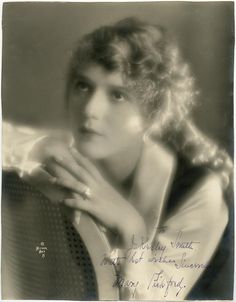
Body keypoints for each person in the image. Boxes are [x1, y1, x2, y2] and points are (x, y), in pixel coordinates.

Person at [3, 17, 233, 300]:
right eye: (83, 86)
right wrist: (39, 147)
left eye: (118, 95)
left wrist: (132, 231)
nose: (90, 109)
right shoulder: (77, 148)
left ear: (153, 113)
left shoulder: (198, 192)